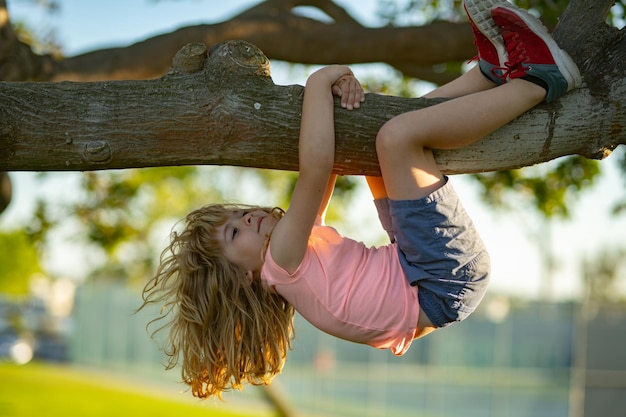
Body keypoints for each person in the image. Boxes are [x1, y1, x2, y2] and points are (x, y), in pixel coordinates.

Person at [139, 0, 581, 399]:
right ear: (243, 280)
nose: (247, 216)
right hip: (439, 279)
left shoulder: (293, 259)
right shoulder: (282, 261)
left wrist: (336, 103)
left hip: (420, 272)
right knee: (396, 138)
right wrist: (321, 79)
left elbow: (330, 164)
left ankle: (486, 76)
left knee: (371, 144)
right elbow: (314, 167)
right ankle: (538, 82)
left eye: (236, 213)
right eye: (234, 232)